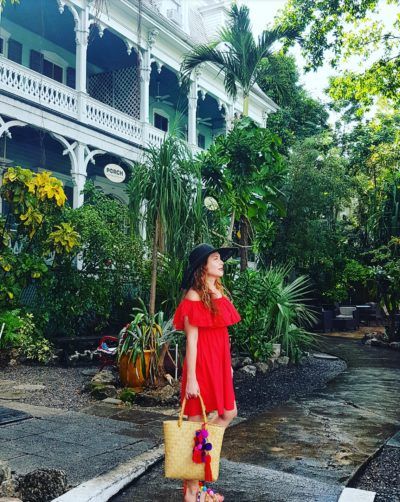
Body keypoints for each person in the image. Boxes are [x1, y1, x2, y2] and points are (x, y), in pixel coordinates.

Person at [173, 243, 241, 502]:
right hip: (201, 366)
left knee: (228, 413)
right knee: (195, 424)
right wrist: (190, 378)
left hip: (219, 364)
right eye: (216, 258)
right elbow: (191, 340)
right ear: (203, 266)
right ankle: (193, 490)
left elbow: (223, 334)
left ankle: (194, 463)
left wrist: (229, 368)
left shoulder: (217, 291)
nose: (221, 262)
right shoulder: (193, 295)